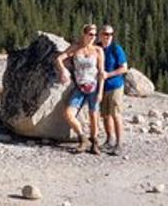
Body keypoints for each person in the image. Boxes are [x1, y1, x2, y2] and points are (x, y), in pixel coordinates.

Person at [55, 23, 105, 154]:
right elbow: (59, 58)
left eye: (94, 35)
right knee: (69, 114)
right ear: (84, 34)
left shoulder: (98, 51)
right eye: (90, 34)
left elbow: (101, 73)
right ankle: (83, 138)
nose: (93, 37)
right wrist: (63, 71)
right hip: (80, 86)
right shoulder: (75, 48)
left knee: (93, 115)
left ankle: (94, 142)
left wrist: (100, 92)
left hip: (94, 86)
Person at [98, 24, 129, 155]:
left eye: (110, 34)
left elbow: (124, 68)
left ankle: (119, 143)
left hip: (115, 85)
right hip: (102, 87)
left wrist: (108, 75)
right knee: (105, 115)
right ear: (101, 35)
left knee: (116, 114)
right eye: (105, 34)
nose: (108, 37)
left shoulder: (116, 49)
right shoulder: (98, 48)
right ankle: (109, 139)